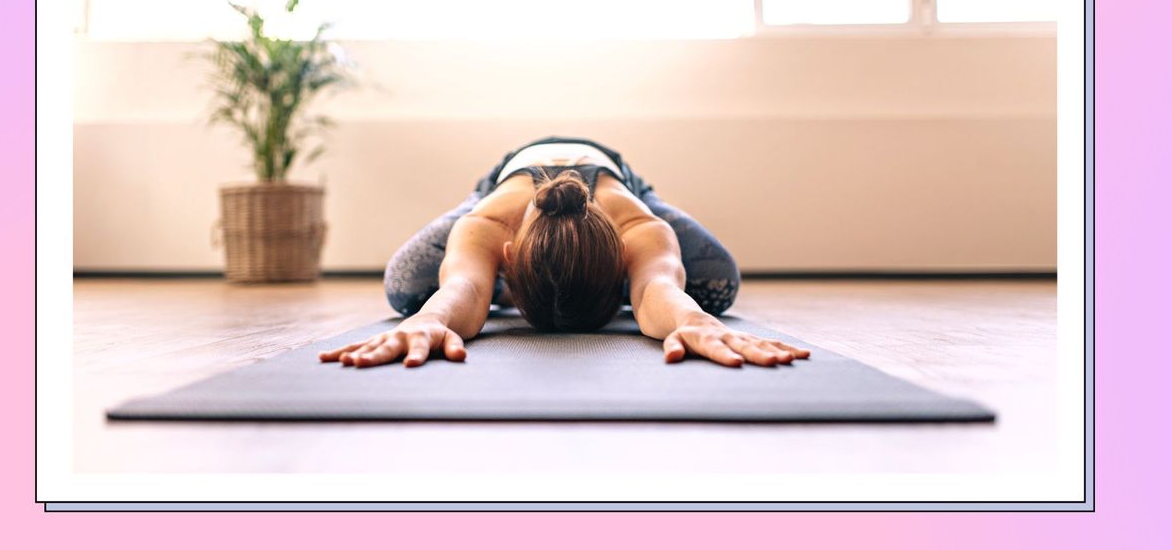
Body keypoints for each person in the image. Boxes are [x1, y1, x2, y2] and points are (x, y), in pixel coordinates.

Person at [318, 135, 810, 369]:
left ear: (623, 258)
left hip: (618, 178)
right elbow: (463, 288)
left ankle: (568, 279)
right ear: (505, 257)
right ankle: (543, 281)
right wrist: (430, 318)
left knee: (715, 284)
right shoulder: (489, 221)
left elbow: (655, 287)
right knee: (408, 287)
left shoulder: (636, 223)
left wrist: (692, 319)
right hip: (506, 181)